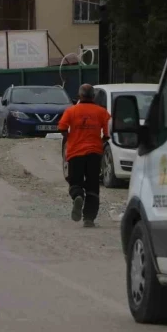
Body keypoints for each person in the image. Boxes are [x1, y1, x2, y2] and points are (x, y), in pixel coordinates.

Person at [58, 84, 110, 228]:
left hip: (75, 153)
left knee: (75, 181)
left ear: (79, 96)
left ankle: (77, 195)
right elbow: (106, 134)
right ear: (93, 97)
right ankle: (89, 218)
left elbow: (62, 127)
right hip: (94, 153)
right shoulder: (102, 112)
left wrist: (71, 138)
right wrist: (100, 141)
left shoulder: (71, 111)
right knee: (93, 185)